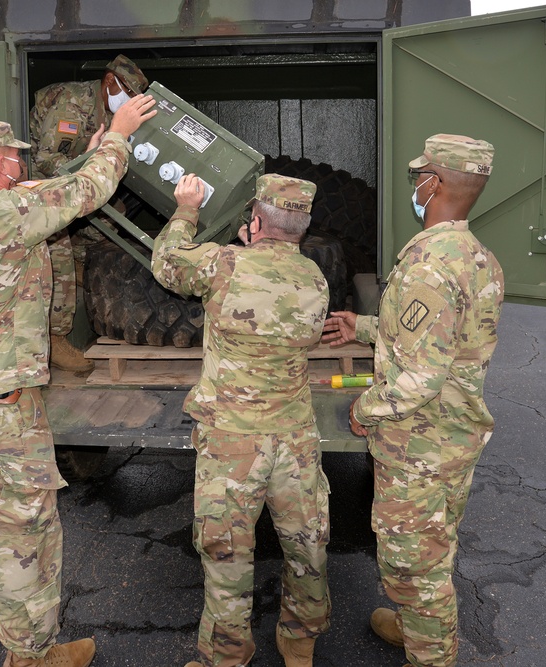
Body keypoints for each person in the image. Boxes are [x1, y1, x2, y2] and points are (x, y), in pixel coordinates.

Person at [0, 94, 156, 667]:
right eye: (17, 157)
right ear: (3, 164)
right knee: (22, 536)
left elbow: (46, 195)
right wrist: (120, 135)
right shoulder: (2, 214)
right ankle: (32, 657)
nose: (23, 164)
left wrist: (91, 153)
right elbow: (80, 196)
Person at [321, 134, 503, 667]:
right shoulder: (476, 257)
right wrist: (366, 327)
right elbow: (443, 338)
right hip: (453, 437)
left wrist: (366, 410)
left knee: (415, 566)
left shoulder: (428, 267)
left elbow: (419, 376)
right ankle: (411, 627)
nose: (415, 183)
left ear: (436, 183)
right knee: (434, 546)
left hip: (420, 445)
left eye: (420, 175)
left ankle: (430, 652)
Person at [152, 173, 333, 667]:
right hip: (294, 439)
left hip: (232, 442)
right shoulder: (316, 279)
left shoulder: (223, 263)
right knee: (306, 543)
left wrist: (187, 208)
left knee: (227, 553)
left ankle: (228, 655)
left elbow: (166, 263)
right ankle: (300, 641)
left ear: (255, 221)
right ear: (300, 227)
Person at [28, 54, 150, 372]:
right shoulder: (73, 103)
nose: (130, 102)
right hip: (37, 184)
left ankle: (85, 264)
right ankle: (55, 337)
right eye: (130, 94)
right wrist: (83, 172)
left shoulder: (108, 110)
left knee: (110, 214)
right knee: (58, 245)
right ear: (110, 82)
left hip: (70, 178)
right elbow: (45, 159)